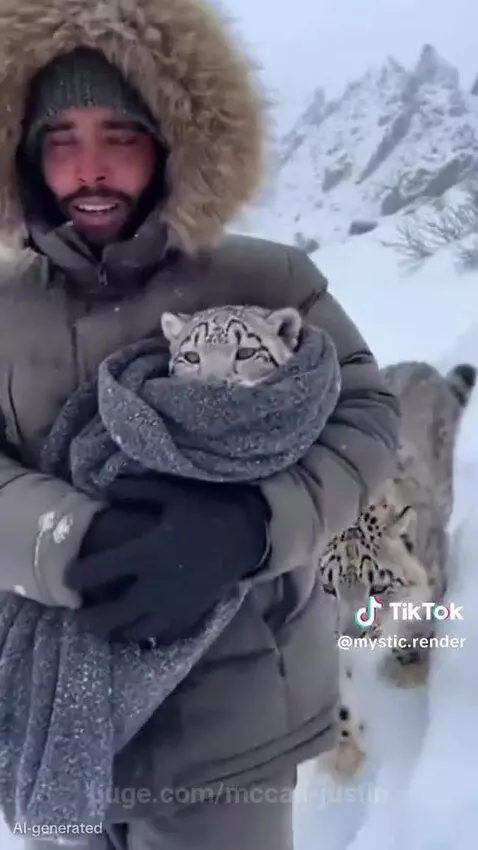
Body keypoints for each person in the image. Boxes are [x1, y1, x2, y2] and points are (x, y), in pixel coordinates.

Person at [0, 0, 400, 848]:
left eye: (122, 134)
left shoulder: (270, 278)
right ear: (26, 156)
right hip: (48, 729)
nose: (91, 169)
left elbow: (366, 415)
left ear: (176, 138)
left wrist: (253, 525)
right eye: (60, 140)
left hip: (233, 733)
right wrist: (69, 537)